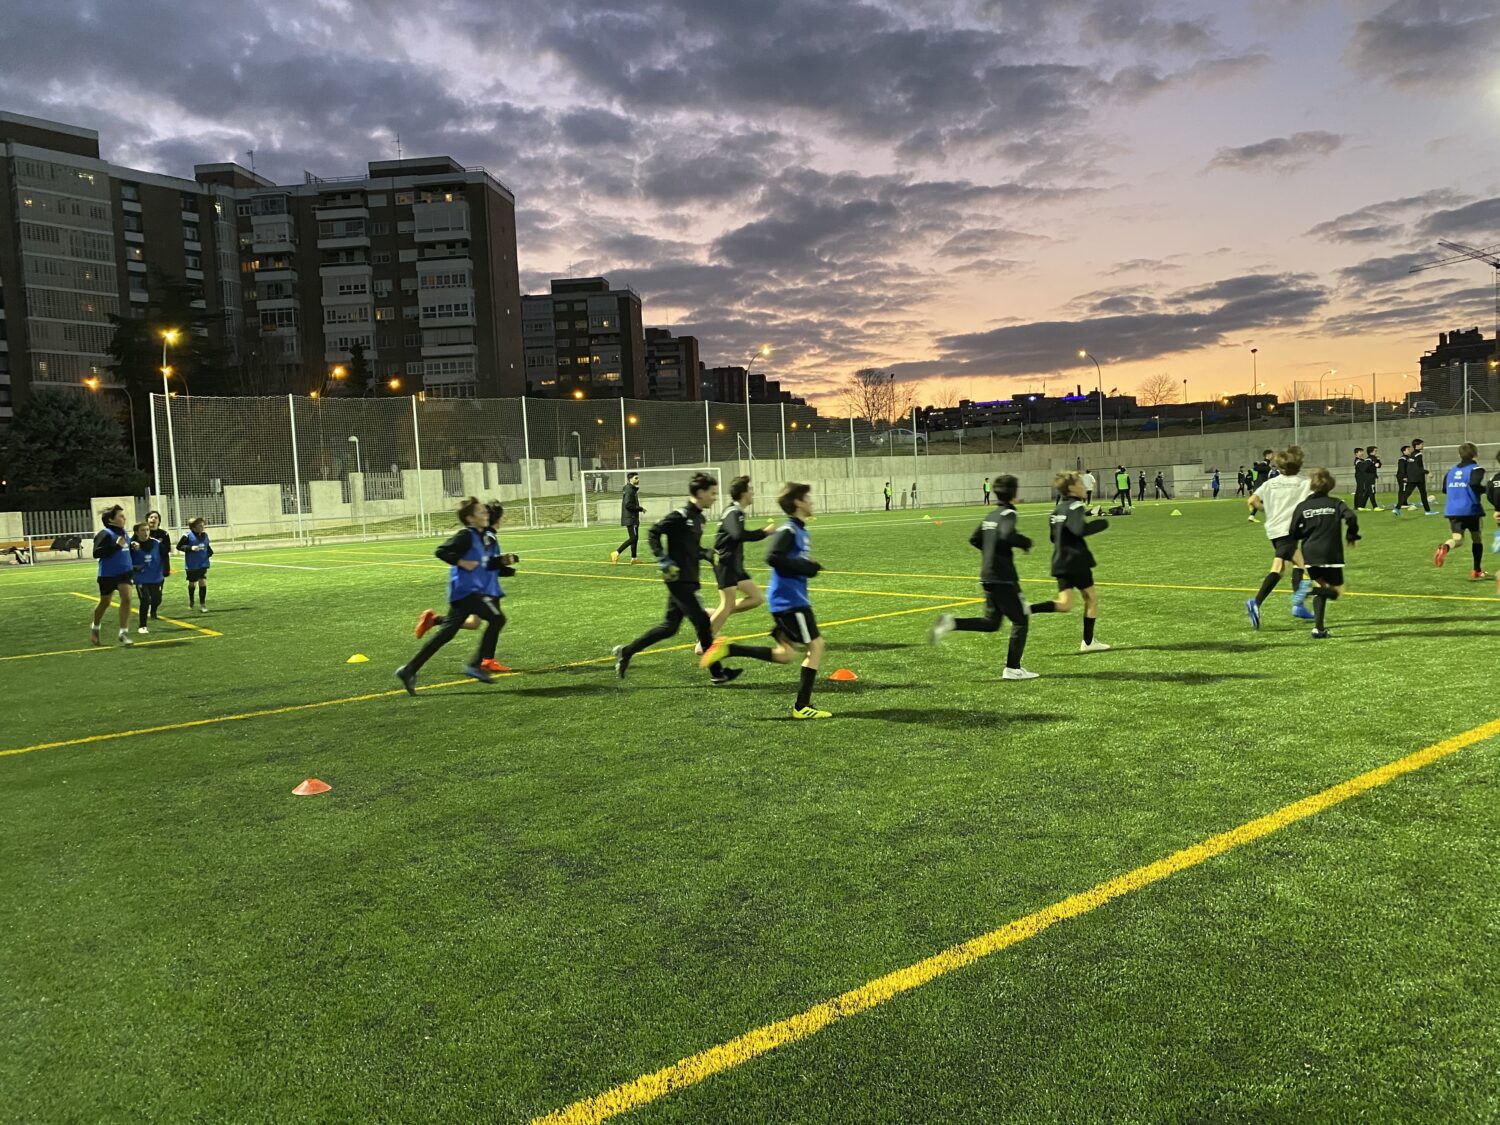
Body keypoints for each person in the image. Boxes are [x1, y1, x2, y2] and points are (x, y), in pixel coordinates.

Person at [613, 473, 741, 686]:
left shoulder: (700, 519)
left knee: (669, 627)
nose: (715, 497)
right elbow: (654, 532)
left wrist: (706, 554)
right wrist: (662, 558)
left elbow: (691, 549)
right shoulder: (680, 515)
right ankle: (718, 673)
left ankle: (626, 652)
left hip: (690, 579)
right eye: (712, 493)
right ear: (700, 493)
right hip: (677, 580)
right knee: (702, 622)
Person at [395, 497, 516, 693]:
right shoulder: (466, 535)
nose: (486, 514)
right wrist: (461, 562)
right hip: (466, 591)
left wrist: (504, 564)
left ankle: (409, 670)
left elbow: (484, 564)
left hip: (468, 592)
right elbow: (441, 551)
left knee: (446, 634)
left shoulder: (480, 537)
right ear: (470, 518)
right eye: (481, 512)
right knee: (497, 618)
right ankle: (476, 665)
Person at [928, 474, 1040, 680]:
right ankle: (1012, 668)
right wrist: (1024, 542)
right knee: (1021, 619)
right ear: (1014, 493)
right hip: (1003, 577)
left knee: (991, 623)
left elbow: (974, 539)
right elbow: (1007, 535)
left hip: (988, 575)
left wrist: (990, 552)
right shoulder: (1008, 513)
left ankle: (951, 623)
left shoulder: (991, 515)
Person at [763, 482, 832, 718]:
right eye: (807, 498)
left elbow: (791, 560)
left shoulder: (801, 530)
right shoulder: (789, 530)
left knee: (786, 654)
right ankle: (801, 707)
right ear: (797, 503)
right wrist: (805, 567)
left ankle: (729, 649)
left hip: (794, 599)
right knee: (816, 646)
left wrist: (809, 565)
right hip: (790, 601)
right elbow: (772, 557)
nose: (811, 501)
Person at [1024, 471, 1109, 652]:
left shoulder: (1057, 510)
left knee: (1065, 604)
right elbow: (1079, 530)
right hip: (1076, 561)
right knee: (1092, 599)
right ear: (1071, 488)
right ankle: (1088, 642)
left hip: (1059, 562)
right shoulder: (1076, 506)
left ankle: (1027, 609)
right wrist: (1102, 523)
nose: (1084, 486)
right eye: (1080, 483)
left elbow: (1053, 538)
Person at [1244, 445, 1314, 629]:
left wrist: (1265, 509)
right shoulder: (1303, 483)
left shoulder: (1271, 483)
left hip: (1274, 530)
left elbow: (1251, 501)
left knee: (1283, 567)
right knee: (1300, 565)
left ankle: (1296, 606)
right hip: (1289, 530)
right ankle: (1257, 602)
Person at [1289, 468, 1360, 639]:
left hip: (1310, 554)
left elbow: (1292, 530)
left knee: (1321, 587)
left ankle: (1319, 629)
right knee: (1336, 592)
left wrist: (1300, 538)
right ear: (1330, 486)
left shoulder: (1303, 506)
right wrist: (1351, 534)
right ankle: (1309, 591)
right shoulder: (1336, 503)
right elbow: (1351, 517)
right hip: (1331, 553)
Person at [708, 475, 776, 636]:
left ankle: (715, 614)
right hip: (725, 563)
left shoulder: (737, 512)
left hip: (735, 566)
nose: (752, 493)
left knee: (757, 598)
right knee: (727, 605)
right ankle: (704, 642)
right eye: (750, 490)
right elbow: (738, 534)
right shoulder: (733, 512)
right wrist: (764, 532)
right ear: (744, 493)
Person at [1433, 442, 1487, 579]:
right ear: (1476, 454)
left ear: (1459, 455)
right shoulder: (1476, 469)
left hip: (1453, 510)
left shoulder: (1450, 471)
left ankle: (1445, 547)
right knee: (1477, 539)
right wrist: (1486, 490)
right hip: (1471, 509)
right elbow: (1475, 484)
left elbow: (1445, 489)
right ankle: (1476, 570)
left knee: (1457, 539)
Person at [91, 504, 135, 647]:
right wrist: (116, 546)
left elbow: (124, 550)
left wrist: (133, 547)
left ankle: (123, 632)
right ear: (111, 520)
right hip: (108, 574)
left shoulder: (124, 533)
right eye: (120, 516)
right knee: (105, 602)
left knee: (127, 598)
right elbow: (96, 553)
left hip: (125, 573)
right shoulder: (104, 534)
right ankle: (95, 628)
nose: (124, 518)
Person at [129, 522, 165, 633]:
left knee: (157, 599)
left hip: (156, 577)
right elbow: (126, 561)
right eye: (143, 530)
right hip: (141, 578)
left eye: (147, 530)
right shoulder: (132, 546)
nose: (146, 532)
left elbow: (164, 556)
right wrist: (135, 567)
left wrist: (165, 570)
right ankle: (142, 626)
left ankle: (153, 611)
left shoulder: (156, 543)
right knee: (144, 600)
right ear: (136, 532)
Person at [176, 517, 213, 611]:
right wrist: (190, 548)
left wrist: (209, 552)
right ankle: (191, 601)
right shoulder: (187, 536)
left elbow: (206, 546)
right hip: (192, 565)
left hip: (203, 563)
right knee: (192, 584)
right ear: (193, 527)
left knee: (203, 581)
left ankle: (202, 604)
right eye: (200, 525)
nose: (202, 526)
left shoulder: (205, 535)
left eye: (203, 524)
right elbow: (179, 546)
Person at [612, 472, 645, 563]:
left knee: (635, 538)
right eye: (636, 478)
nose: (638, 480)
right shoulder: (629, 490)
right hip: (631, 517)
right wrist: (640, 508)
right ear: (630, 479)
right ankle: (616, 552)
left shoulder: (631, 489)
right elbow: (628, 504)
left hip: (632, 517)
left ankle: (634, 558)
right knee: (633, 538)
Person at [1398, 437, 1436, 515]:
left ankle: (1397, 508)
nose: (1423, 445)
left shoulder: (1411, 455)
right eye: (1422, 444)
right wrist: (1427, 472)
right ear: (1417, 445)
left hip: (1412, 477)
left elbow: (1410, 467)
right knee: (1423, 494)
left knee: (1408, 493)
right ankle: (1428, 511)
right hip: (1418, 478)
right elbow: (1418, 467)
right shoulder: (1418, 454)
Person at [145, 509, 172, 611]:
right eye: (151, 517)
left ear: (159, 521)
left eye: (156, 517)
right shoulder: (143, 532)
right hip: (146, 565)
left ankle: (153, 605)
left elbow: (167, 549)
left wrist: (158, 545)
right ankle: (147, 604)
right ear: (147, 520)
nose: (153, 519)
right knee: (147, 588)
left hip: (159, 565)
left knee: (158, 593)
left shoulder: (164, 534)